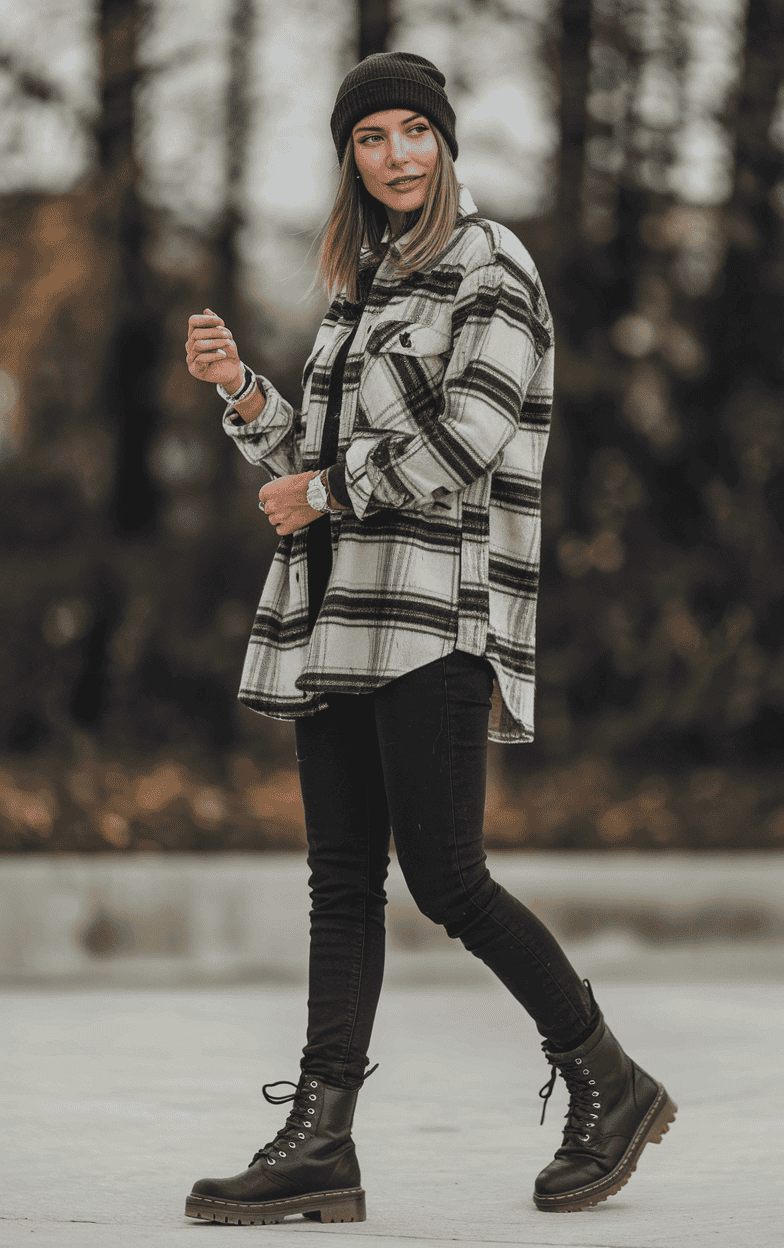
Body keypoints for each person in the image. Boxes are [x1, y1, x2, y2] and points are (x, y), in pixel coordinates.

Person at [182, 51, 675, 1226]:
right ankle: (320, 1144)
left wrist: (324, 491)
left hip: (438, 614)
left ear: (444, 143)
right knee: (340, 884)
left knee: (445, 877)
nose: (396, 154)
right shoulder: (365, 285)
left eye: (414, 131)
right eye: (370, 137)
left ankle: (611, 1081)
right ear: (350, 157)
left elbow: (467, 441)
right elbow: (313, 457)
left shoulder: (489, 266)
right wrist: (245, 393)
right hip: (340, 616)